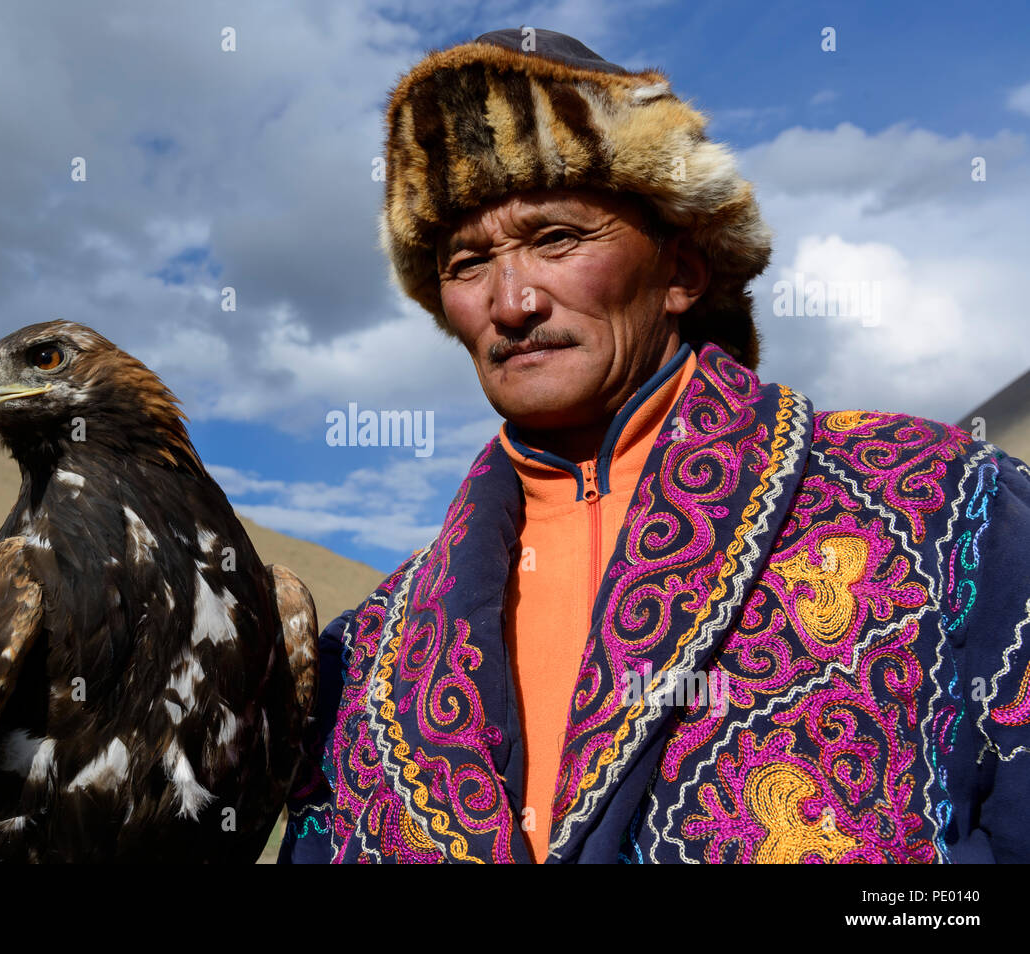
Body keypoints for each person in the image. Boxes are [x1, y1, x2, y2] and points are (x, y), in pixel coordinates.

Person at [279, 27, 1030, 863]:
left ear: (682, 272)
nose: (511, 300)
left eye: (557, 238)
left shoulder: (941, 501)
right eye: (466, 261)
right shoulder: (368, 657)